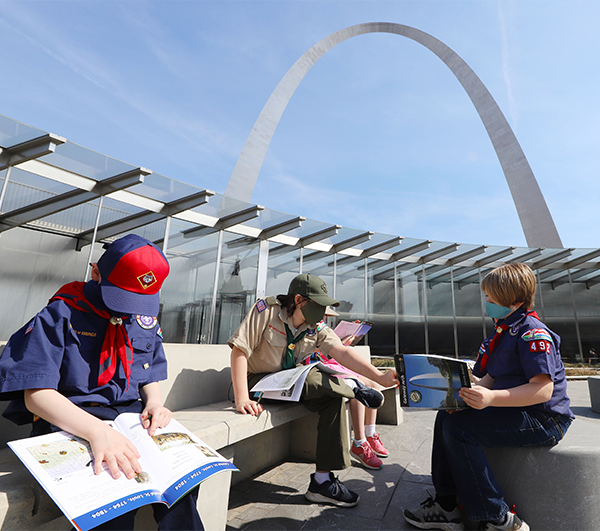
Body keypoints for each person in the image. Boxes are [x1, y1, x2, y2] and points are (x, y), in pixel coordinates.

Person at [0, 234, 204, 531]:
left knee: (182, 485)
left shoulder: (140, 316)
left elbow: (147, 370)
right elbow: (37, 395)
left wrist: (156, 403)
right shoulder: (61, 314)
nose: (129, 309)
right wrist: (97, 433)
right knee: (115, 492)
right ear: (96, 272)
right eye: (122, 296)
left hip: (128, 419)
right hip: (71, 421)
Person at [403, 262, 573, 531]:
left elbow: (543, 390)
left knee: (460, 430)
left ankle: (496, 516)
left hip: (545, 418)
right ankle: (446, 505)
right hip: (518, 410)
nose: (487, 302)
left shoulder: (532, 333)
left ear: (514, 302)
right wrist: (463, 393)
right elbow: (490, 378)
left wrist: (491, 399)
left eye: (491, 297)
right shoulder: (504, 330)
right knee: (447, 415)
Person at [228, 273, 398, 507]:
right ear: (299, 300)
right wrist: (241, 398)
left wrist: (379, 376)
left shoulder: (315, 325)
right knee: (313, 377)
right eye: (318, 304)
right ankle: (351, 387)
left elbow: (342, 352)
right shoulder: (265, 311)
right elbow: (239, 350)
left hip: (291, 383)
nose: (322, 311)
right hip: (259, 383)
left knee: (332, 397)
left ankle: (322, 482)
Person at [307, 310, 390, 470]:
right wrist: (340, 345)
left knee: (374, 383)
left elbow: (336, 352)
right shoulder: (304, 328)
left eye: (327, 316)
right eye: (324, 314)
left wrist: (343, 343)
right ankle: (359, 442)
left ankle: (370, 433)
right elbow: (312, 356)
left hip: (335, 364)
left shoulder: (322, 327)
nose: (325, 318)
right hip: (322, 368)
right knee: (357, 387)